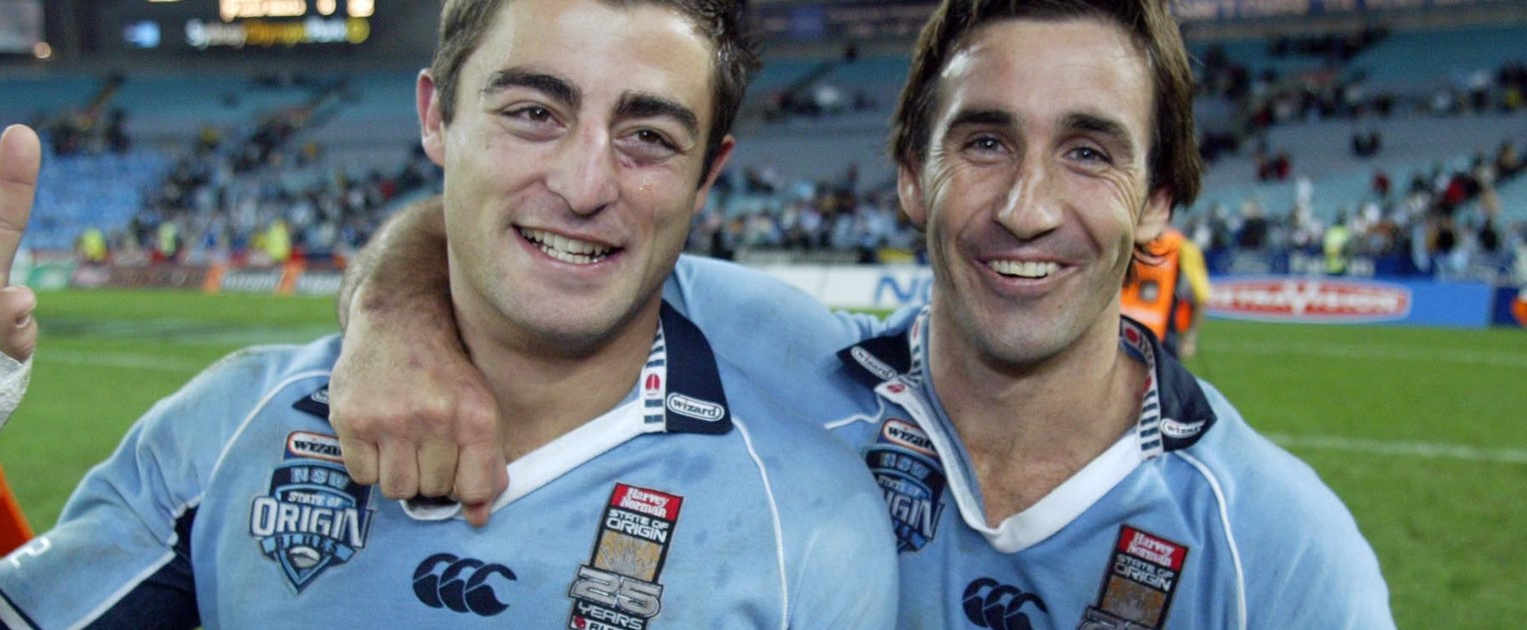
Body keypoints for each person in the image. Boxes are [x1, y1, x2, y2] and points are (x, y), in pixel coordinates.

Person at [0, 1, 898, 627]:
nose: (581, 181)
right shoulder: (231, 427)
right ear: (434, 115)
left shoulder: (816, 513)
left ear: (711, 174)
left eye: (647, 136)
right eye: (530, 111)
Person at [329, 0, 1397, 627]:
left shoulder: (1274, 551)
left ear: (1159, 199)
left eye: (1088, 151)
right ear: (909, 179)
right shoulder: (774, 357)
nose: (1025, 208)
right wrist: (394, 322)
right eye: (981, 142)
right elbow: (531, 246)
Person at [1120, 227, 1210, 359]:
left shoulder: (1183, 248)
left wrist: (1190, 338)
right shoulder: (1124, 239)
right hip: (1120, 334)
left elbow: (1201, 297)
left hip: (1158, 338)